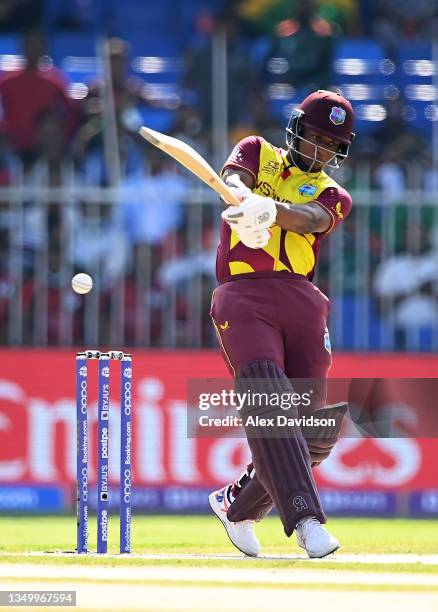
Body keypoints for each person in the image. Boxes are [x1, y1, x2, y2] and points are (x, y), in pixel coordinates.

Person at [208, 89, 355, 558]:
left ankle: (238, 504)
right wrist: (246, 201)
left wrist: (271, 214)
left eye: (330, 145)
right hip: (244, 295)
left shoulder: (334, 193)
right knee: (268, 396)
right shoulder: (257, 151)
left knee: (313, 429)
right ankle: (308, 521)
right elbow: (233, 177)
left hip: (303, 301)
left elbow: (312, 218)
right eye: (314, 137)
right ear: (297, 129)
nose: (320, 151)